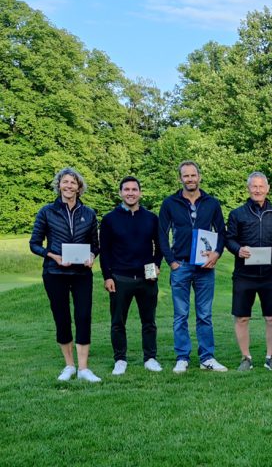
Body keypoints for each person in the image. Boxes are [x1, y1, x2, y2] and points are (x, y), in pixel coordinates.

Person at [30, 167, 101, 382]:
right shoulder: (47, 212)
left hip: (81, 274)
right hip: (54, 272)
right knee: (62, 317)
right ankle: (69, 366)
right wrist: (53, 256)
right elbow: (34, 244)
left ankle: (84, 368)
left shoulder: (89, 213)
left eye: (73, 182)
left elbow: (95, 245)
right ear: (59, 185)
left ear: (79, 187)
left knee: (83, 316)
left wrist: (92, 255)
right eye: (65, 182)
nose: (69, 186)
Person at [159, 160, 227, 373]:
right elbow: (161, 235)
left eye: (193, 175)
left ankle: (207, 357)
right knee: (181, 315)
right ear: (180, 178)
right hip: (181, 265)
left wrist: (217, 253)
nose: (190, 179)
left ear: (199, 177)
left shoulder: (212, 203)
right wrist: (172, 262)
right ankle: (182, 357)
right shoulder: (170, 203)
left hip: (204, 267)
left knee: (204, 315)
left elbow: (222, 232)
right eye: (186, 176)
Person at [100, 176, 163, 375]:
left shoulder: (151, 218)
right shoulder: (109, 219)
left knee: (149, 321)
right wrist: (107, 276)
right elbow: (105, 251)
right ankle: (120, 360)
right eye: (126, 189)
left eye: (134, 189)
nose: (130, 193)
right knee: (118, 322)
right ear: (120, 193)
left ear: (140, 193)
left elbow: (159, 246)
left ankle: (150, 358)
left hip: (146, 278)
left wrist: (155, 267)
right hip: (120, 278)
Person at [225, 172, 272, 372]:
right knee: (242, 317)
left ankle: (270, 357)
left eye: (261, 186)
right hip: (244, 274)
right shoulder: (237, 214)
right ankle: (246, 358)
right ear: (248, 188)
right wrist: (238, 249)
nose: (258, 190)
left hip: (271, 274)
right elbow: (229, 239)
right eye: (254, 186)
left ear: (267, 189)